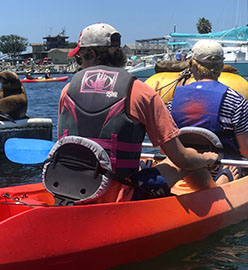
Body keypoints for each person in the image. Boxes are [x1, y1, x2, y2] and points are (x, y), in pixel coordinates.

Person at [58, 23, 221, 202]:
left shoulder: (67, 91)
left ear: (92, 55)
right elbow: (183, 159)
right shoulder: (140, 92)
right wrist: (207, 157)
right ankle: (218, 198)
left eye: (79, 59)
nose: (80, 65)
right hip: (118, 195)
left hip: (67, 189)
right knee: (184, 161)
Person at [167, 40, 248, 183]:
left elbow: (164, 146)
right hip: (222, 168)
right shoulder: (236, 101)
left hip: (185, 166)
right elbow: (245, 149)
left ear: (194, 67)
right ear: (221, 66)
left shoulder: (173, 101)